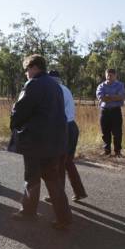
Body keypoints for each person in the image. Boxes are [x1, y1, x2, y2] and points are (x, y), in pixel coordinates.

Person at [9, 54, 72, 230]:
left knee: (31, 177)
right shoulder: (55, 85)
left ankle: (28, 211)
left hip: (36, 140)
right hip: (55, 140)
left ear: (34, 67)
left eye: (26, 69)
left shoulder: (34, 84)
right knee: (53, 178)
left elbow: (21, 110)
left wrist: (13, 121)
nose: (26, 73)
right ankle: (64, 218)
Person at [47, 70, 87, 202]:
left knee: (58, 162)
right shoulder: (65, 89)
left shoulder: (55, 90)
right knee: (68, 162)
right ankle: (79, 191)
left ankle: (58, 196)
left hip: (63, 128)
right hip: (72, 127)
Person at [96, 69, 125, 157]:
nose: (109, 77)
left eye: (111, 75)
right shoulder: (101, 86)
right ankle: (107, 151)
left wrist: (108, 96)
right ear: (105, 75)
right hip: (104, 111)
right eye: (108, 75)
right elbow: (101, 97)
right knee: (105, 132)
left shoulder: (120, 85)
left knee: (117, 133)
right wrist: (114, 97)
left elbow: (121, 96)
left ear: (115, 76)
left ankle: (117, 152)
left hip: (116, 111)